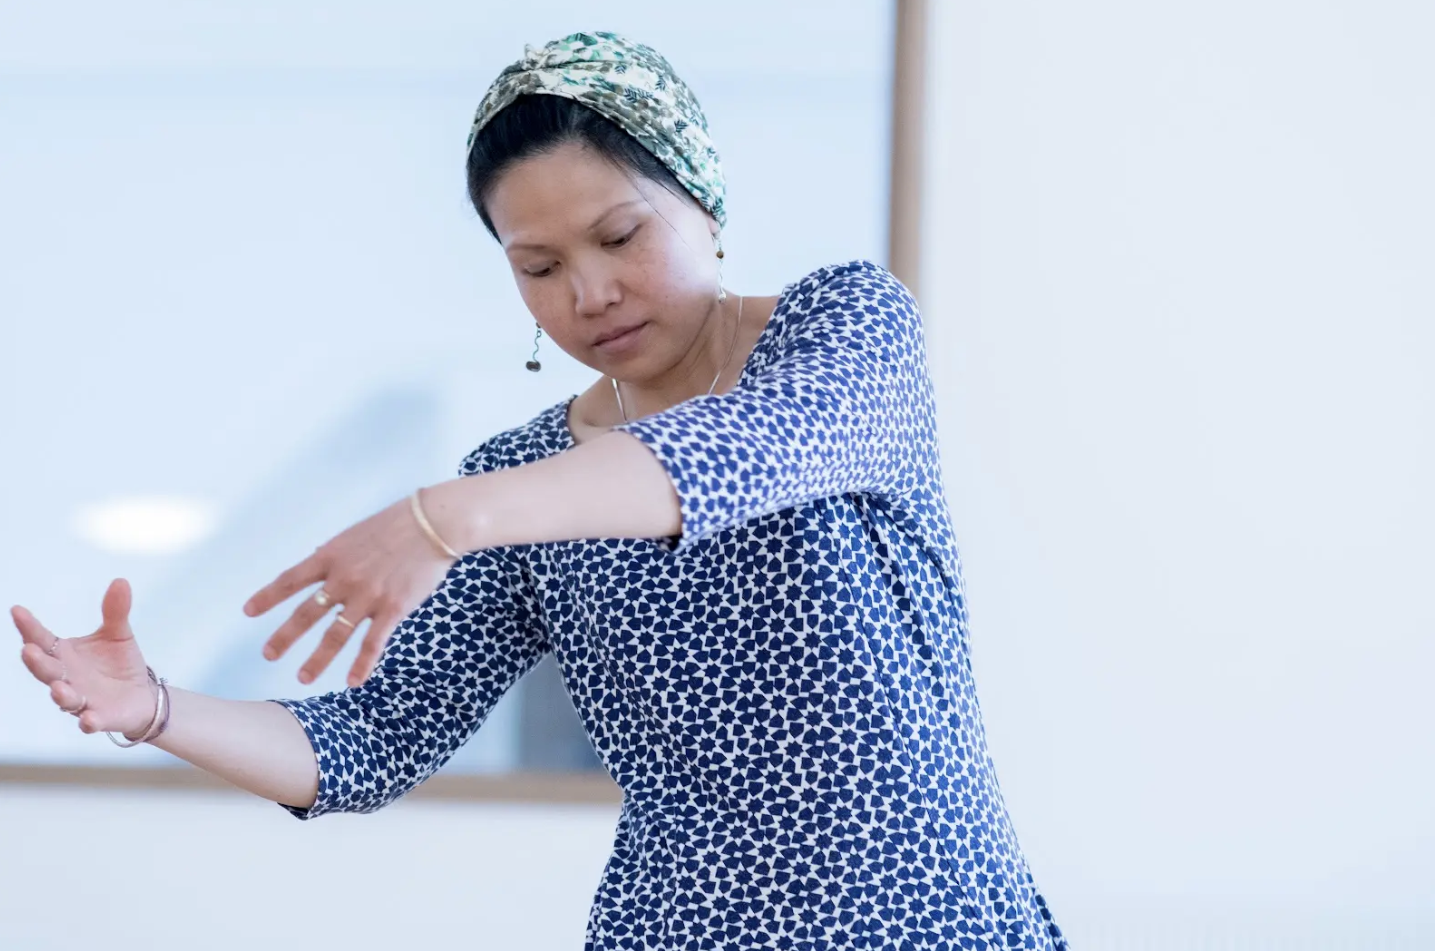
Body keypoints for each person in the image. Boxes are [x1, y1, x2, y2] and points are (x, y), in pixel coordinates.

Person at [11, 31, 1069, 950]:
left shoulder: (844, 330)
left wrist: (441, 520)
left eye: (619, 237)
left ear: (701, 197)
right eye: (538, 265)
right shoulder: (515, 476)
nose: (589, 292)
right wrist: (152, 709)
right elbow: (371, 744)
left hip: (931, 917)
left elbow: (732, 454)